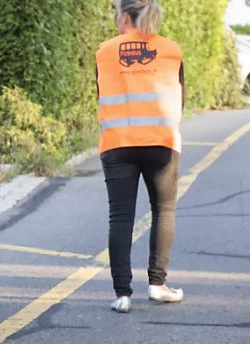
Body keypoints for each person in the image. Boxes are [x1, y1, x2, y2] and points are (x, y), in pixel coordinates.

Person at [98, 0, 184, 313]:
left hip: (117, 143)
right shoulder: (172, 50)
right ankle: (158, 285)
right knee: (163, 209)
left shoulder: (104, 52)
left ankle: (122, 294)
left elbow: (101, 93)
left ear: (123, 16)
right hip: (160, 142)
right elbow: (180, 96)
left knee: (120, 216)